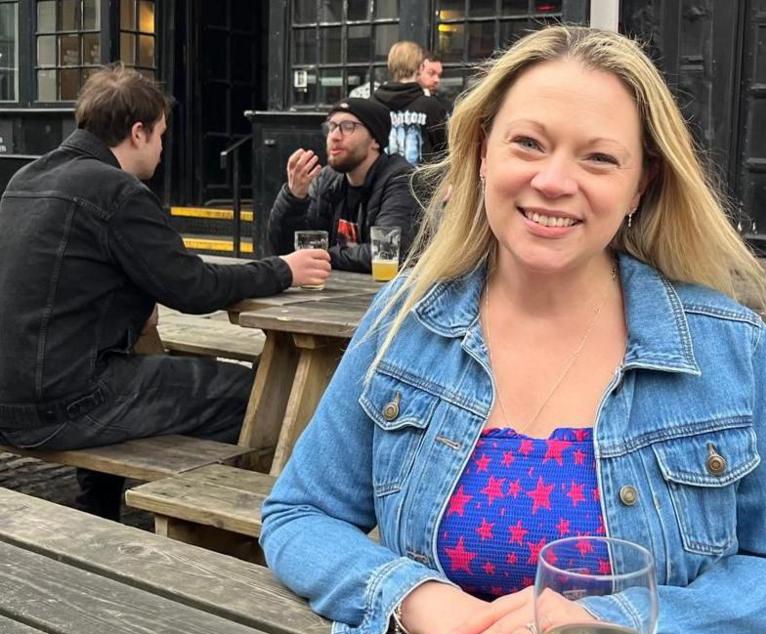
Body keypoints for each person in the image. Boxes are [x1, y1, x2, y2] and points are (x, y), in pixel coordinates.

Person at [260, 27, 766, 634]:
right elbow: (299, 514)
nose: (555, 181)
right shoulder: (406, 318)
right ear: (480, 153)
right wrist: (417, 599)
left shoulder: (726, 344)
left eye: (599, 158)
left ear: (640, 185)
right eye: (528, 144)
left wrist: (620, 626)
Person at [0, 64, 331, 520]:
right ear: (137, 133)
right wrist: (283, 270)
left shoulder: (25, 181)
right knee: (259, 394)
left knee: (135, 366)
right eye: (160, 135)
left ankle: (98, 510)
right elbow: (192, 288)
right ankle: (253, 523)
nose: (161, 148)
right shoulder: (115, 190)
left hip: (11, 398)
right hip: (59, 406)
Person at [267, 98, 418, 272]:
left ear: (375, 140)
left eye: (348, 127)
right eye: (331, 127)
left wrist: (319, 256)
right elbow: (285, 249)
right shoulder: (326, 179)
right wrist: (293, 197)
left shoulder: (401, 179)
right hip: (332, 292)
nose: (335, 136)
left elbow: (386, 253)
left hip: (387, 295)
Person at [374, 41, 448, 165]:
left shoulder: (373, 104)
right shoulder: (431, 106)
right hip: (420, 181)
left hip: (384, 180)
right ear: (421, 67)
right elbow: (444, 151)